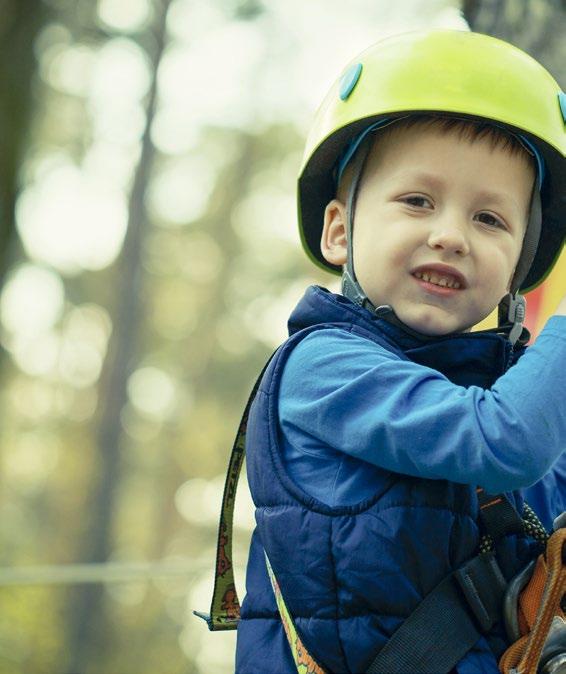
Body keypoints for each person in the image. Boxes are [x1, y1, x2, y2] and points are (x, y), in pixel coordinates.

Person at [233, 29, 566, 673]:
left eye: (490, 219)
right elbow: (504, 443)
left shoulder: (502, 394)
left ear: (521, 266)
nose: (451, 235)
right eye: (417, 201)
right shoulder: (322, 369)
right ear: (339, 230)